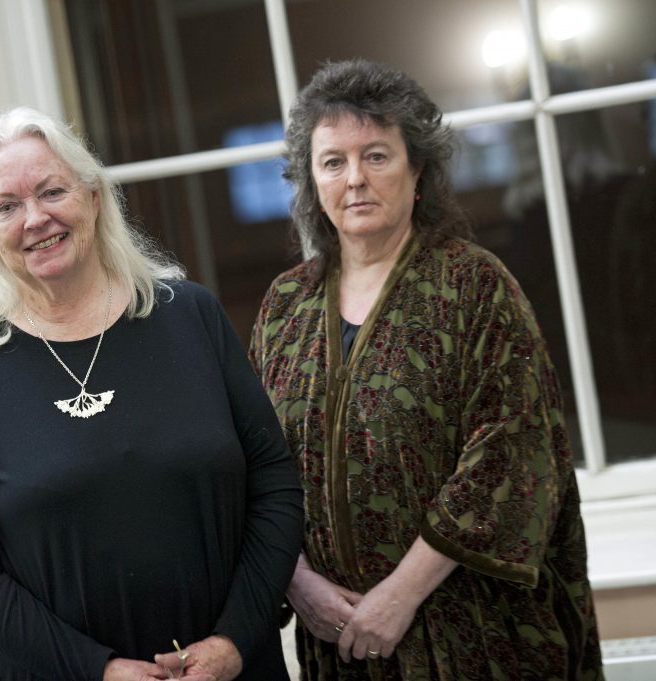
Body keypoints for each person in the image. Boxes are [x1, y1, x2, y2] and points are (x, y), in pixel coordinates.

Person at [249, 60, 603, 680]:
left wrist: (400, 594)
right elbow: (252, 461)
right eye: (333, 161)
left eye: (377, 156)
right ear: (310, 181)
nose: (354, 179)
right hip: (336, 642)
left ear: (418, 171)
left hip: (471, 633)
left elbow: (512, 454)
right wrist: (299, 584)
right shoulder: (285, 306)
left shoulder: (474, 285)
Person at [0, 106, 304, 681]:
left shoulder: (191, 317)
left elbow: (274, 485)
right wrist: (96, 670)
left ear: (94, 195)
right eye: (7, 207)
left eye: (52, 191)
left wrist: (234, 640)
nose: (35, 219)